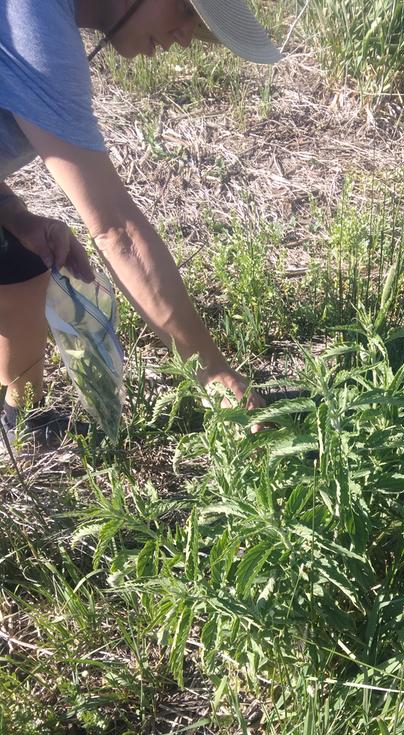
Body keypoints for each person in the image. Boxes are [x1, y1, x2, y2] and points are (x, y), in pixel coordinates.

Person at [0, 0, 280, 447]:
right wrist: (215, 375)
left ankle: (19, 422)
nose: (187, 37)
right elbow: (118, 231)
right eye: (189, 12)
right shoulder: (32, 18)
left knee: (20, 262)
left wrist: (15, 214)